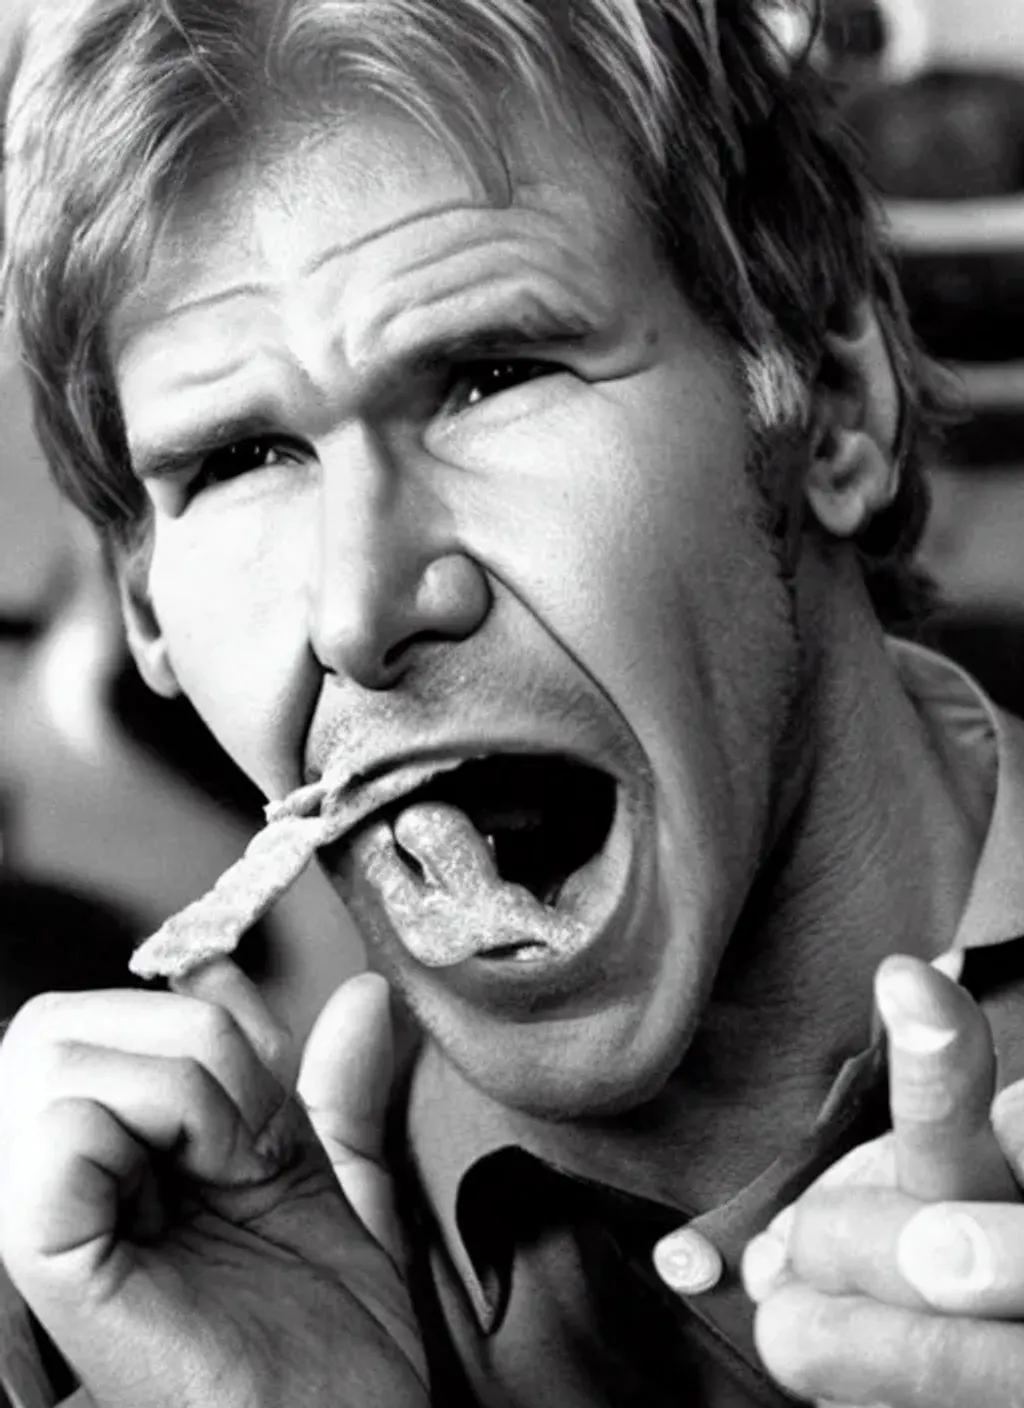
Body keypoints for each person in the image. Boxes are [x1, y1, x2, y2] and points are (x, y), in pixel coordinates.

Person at [3, 1, 1024, 1404]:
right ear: (144, 610)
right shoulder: (154, 1321)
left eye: (493, 376)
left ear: (831, 405)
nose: (359, 609)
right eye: (239, 458)